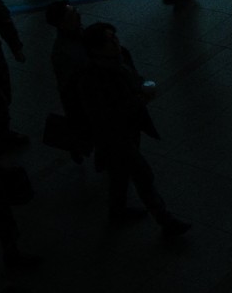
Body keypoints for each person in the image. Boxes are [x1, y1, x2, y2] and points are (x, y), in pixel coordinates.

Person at [78, 22, 191, 239]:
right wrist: (140, 99)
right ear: (96, 49)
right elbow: (105, 114)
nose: (116, 42)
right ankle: (164, 219)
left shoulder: (121, 57)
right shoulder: (91, 79)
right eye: (109, 40)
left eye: (114, 37)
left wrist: (140, 90)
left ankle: (117, 210)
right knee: (142, 174)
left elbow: (133, 78)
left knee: (120, 173)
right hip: (114, 135)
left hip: (129, 127)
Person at [44, 0, 91, 162]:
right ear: (62, 24)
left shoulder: (79, 33)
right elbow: (68, 87)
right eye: (72, 14)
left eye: (75, 10)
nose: (78, 14)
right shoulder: (62, 53)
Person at [0, 0, 28, 152]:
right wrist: (15, 47)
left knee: (2, 94)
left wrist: (15, 46)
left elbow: (2, 19)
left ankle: (1, 133)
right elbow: (3, 19)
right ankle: (2, 134)